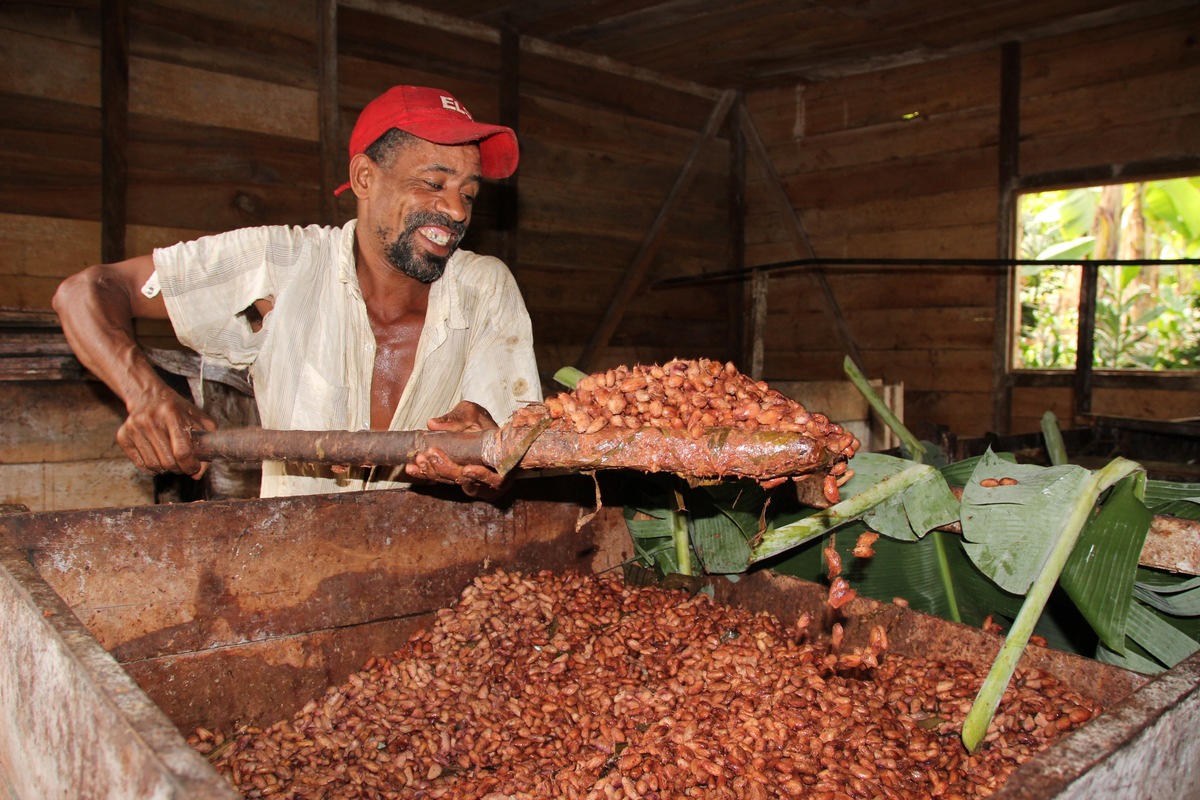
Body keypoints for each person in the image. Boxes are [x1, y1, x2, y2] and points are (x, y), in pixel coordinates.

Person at [52, 85, 541, 499]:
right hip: (297, 566)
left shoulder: (484, 288)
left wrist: (486, 458)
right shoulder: (281, 266)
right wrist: (144, 394)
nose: (456, 210)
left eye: (469, 193)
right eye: (434, 183)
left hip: (433, 572)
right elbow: (86, 290)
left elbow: (512, 456)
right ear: (364, 178)